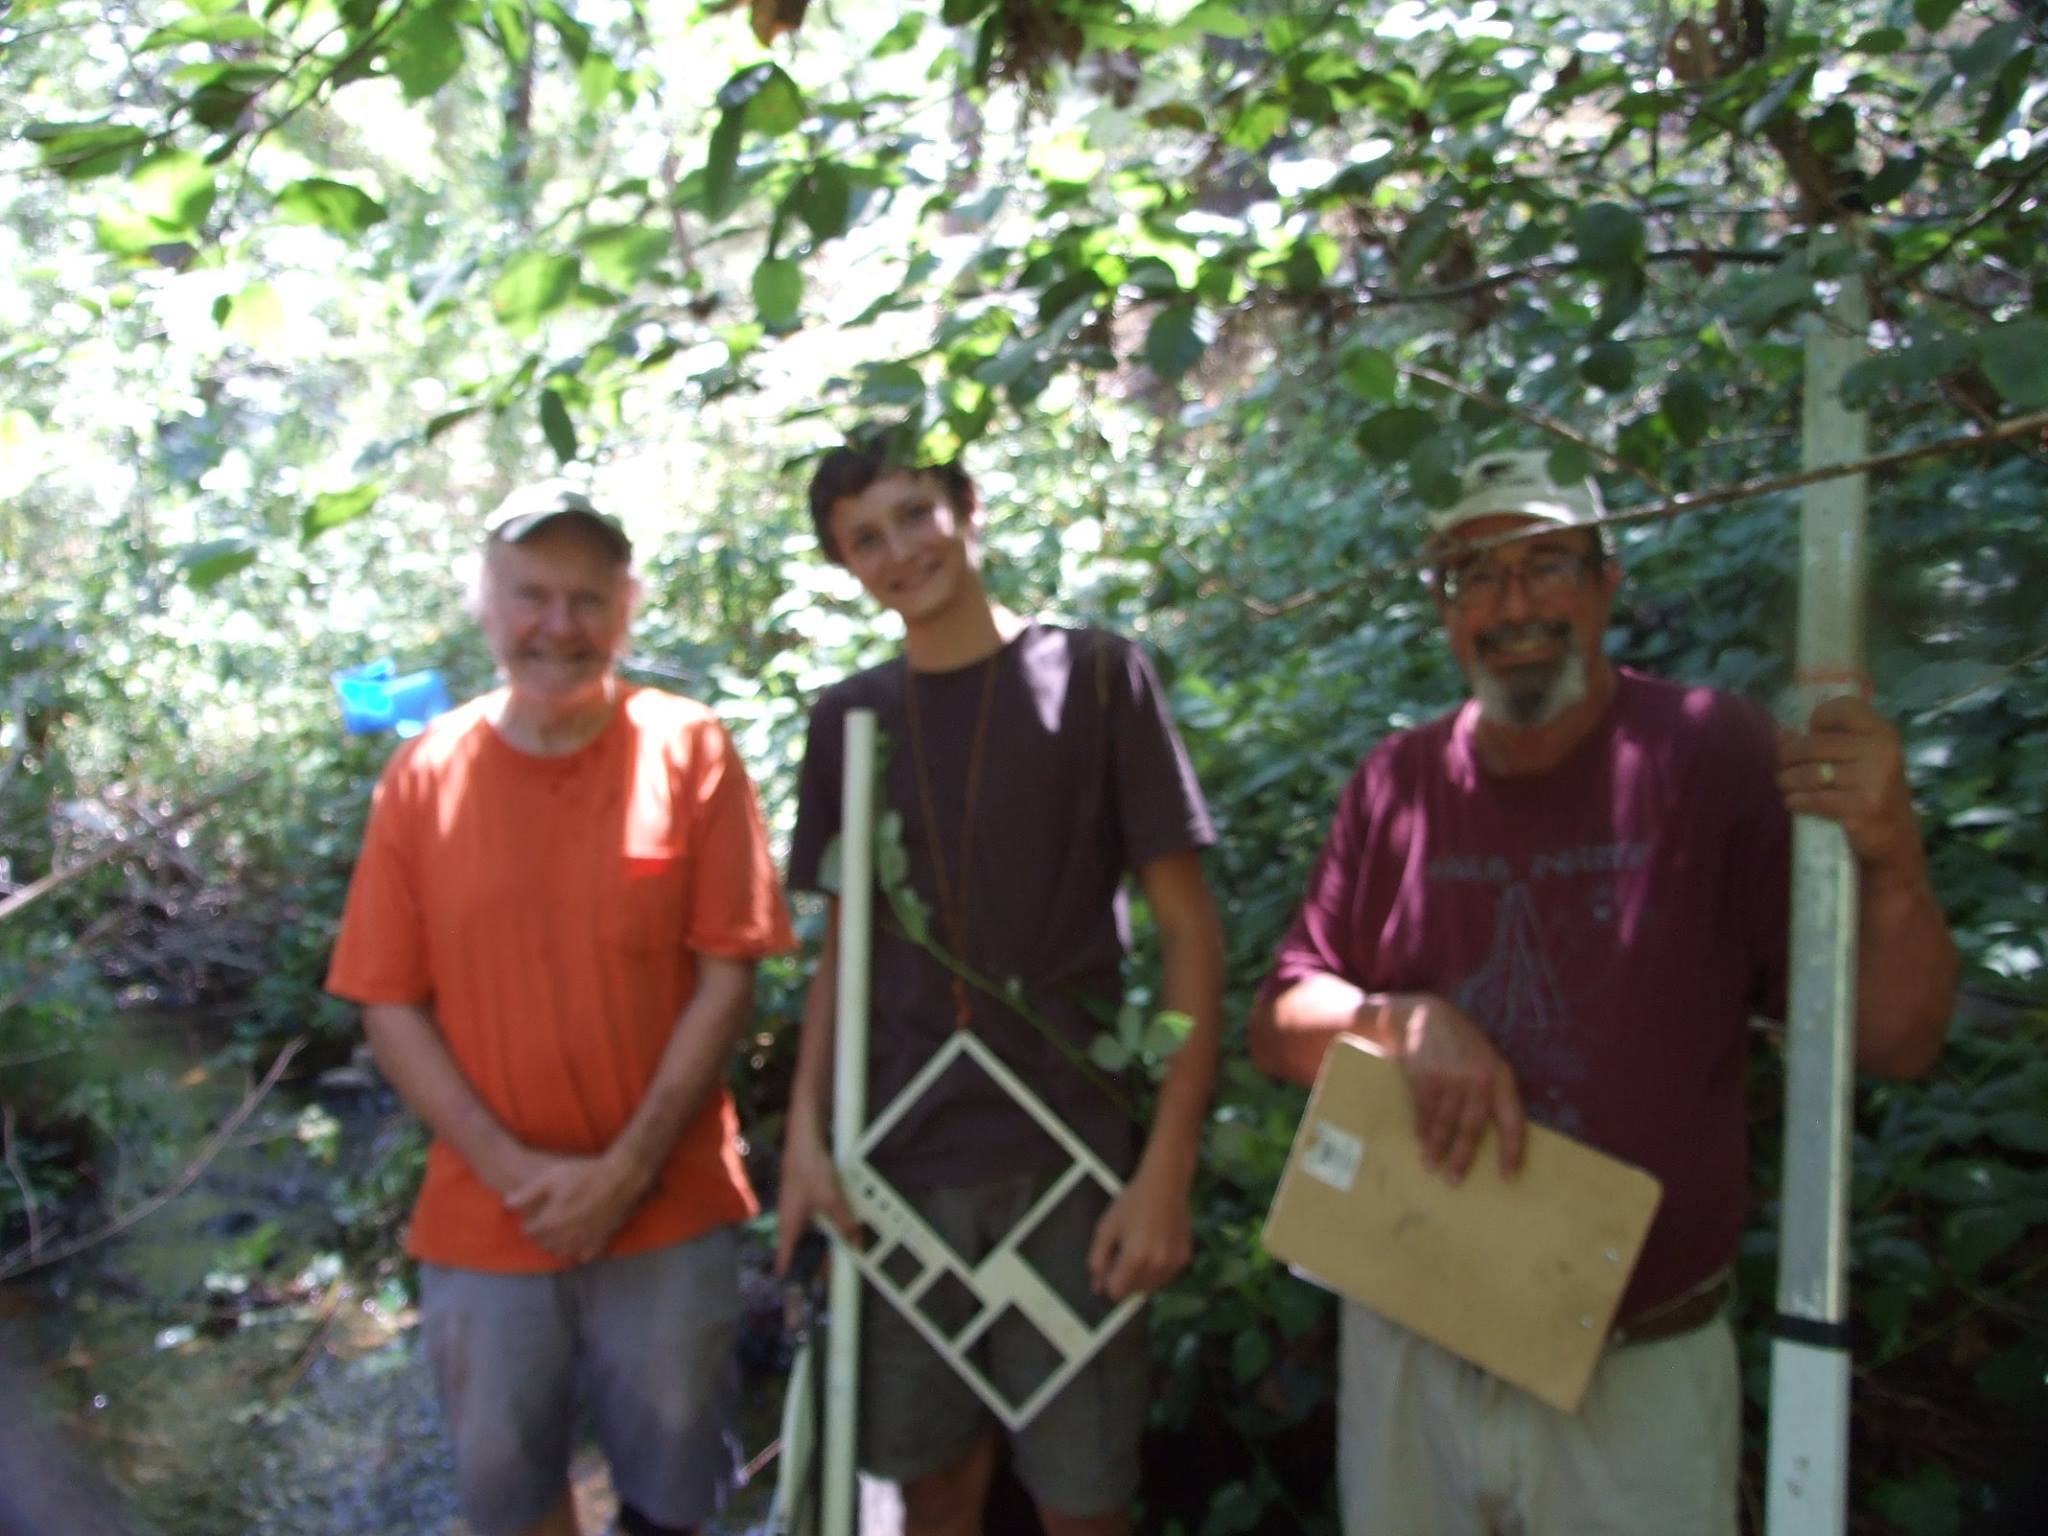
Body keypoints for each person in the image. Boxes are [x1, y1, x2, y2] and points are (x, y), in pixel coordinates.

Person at [1249, 449, 1957, 1535]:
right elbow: (1278, 1021)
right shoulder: (1395, 782)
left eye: (1546, 564)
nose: (1512, 606)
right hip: (1410, 1337)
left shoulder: (1709, 753)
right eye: (1475, 574)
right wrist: (1397, 1020)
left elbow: (1896, 1041)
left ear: (1606, 584)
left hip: (1635, 1370)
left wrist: (1893, 857)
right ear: (1442, 608)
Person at [773, 431, 1226, 1536]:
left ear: (966, 506)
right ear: (844, 566)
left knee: (1084, 1499)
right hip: (898, 1166)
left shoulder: (1098, 678)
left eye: (913, 514)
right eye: (863, 539)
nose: (898, 552)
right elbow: (845, 953)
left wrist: (1165, 1166)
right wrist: (804, 1141)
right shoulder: (849, 721)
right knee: (931, 1490)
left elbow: (1187, 931)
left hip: (1071, 1161)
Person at [325, 482, 795, 1536]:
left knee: (676, 1502)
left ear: (626, 607)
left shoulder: (690, 747)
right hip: (487, 1218)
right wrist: (515, 1173)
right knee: (513, 1504)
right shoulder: (423, 774)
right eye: (531, 594)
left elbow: (727, 975)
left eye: (587, 599)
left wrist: (623, 1171)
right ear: (485, 602)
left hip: (668, 1207)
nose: (558, 625)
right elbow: (388, 1003)